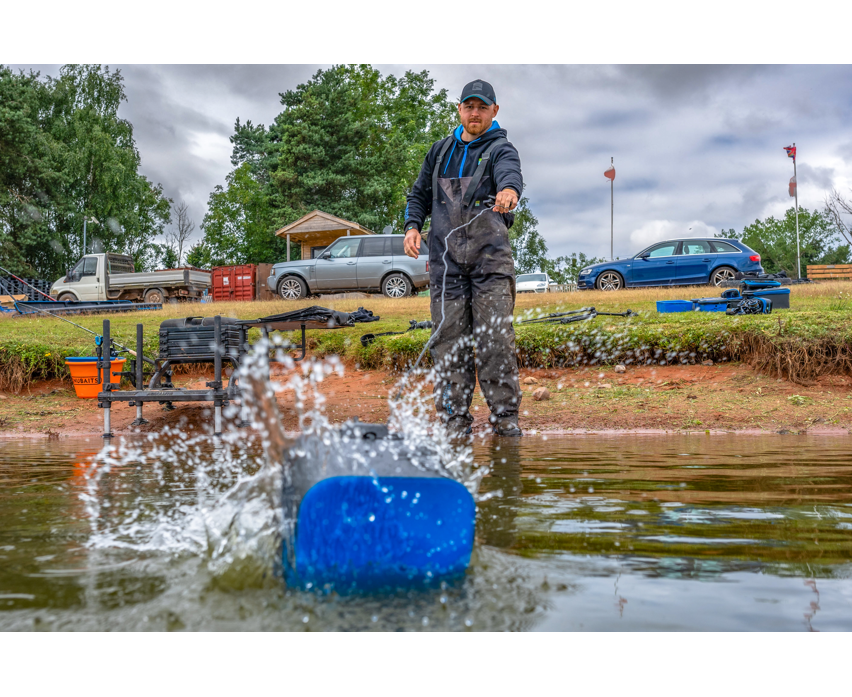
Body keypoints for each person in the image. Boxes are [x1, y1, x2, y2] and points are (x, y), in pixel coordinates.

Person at [403, 79, 523, 436]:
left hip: (491, 266)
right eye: (469, 106)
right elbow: (419, 195)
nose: (475, 113)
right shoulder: (439, 152)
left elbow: (511, 176)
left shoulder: (502, 149)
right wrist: (412, 225)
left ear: (494, 112)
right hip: (446, 269)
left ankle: (504, 418)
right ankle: (454, 419)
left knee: (495, 341)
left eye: (482, 107)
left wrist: (508, 191)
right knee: (449, 345)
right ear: (459, 109)